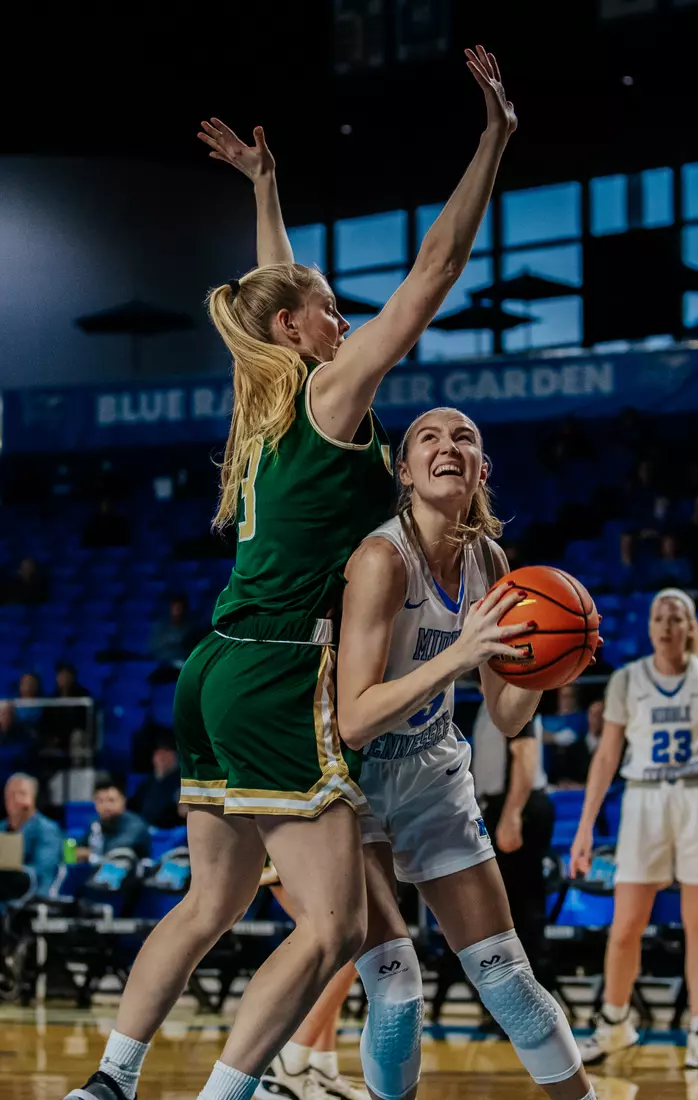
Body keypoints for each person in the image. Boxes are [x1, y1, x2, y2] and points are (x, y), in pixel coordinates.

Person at [66, 42, 517, 1100]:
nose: (342, 315)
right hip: (275, 670)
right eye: (325, 307)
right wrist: (493, 139)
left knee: (208, 903)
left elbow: (280, 287)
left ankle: (110, 1080)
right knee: (334, 924)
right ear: (296, 331)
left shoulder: (265, 397)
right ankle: (225, 1094)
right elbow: (434, 274)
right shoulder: (328, 393)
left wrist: (267, 195)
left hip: (211, 667)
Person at [337, 406, 596, 1100]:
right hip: (347, 780)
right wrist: (460, 652)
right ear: (405, 470)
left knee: (510, 979)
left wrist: (549, 669)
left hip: (429, 771)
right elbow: (354, 719)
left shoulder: (492, 563)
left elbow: (507, 718)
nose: (447, 445)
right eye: (429, 436)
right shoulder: (380, 559)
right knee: (395, 995)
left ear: (482, 469)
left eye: (465, 439)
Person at [570, 589, 698, 1071]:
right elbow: (607, 757)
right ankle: (614, 1023)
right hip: (644, 799)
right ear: (649, 628)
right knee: (626, 925)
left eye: (677, 618)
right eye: (659, 618)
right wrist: (585, 826)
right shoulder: (628, 680)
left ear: (690, 627)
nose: (667, 625)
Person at [256, 860, 366, 1100]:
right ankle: (287, 1066)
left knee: (340, 946)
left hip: (288, 841)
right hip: (293, 841)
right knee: (345, 943)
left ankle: (319, 1066)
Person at [472, 706, 554, 986]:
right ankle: (514, 990)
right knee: (503, 910)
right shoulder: (493, 701)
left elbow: (526, 754)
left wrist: (512, 814)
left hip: (516, 807)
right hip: (499, 806)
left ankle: (533, 991)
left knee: (520, 911)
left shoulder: (513, 694)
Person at [0, 773, 62, 896]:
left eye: (22, 793)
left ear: (33, 797)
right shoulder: (1, 828)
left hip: (34, 898)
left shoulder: (47, 829)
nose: (16, 799)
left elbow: (42, 871)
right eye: (11, 794)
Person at [77, 776, 152, 862]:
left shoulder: (136, 825)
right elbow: (78, 847)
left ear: (123, 801)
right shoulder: (95, 823)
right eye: (100, 801)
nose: (106, 806)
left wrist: (89, 853)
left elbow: (115, 851)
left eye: (111, 800)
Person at [129, 735, 182, 829]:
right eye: (158, 753)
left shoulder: (181, 781)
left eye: (166, 753)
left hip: (172, 834)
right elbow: (132, 806)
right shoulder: (148, 782)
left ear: (174, 756)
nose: (161, 757)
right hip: (145, 831)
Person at [148, 593, 201, 667]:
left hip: (183, 665)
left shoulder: (193, 628)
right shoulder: (161, 627)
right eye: (174, 608)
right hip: (163, 664)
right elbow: (153, 648)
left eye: (179, 608)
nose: (176, 611)